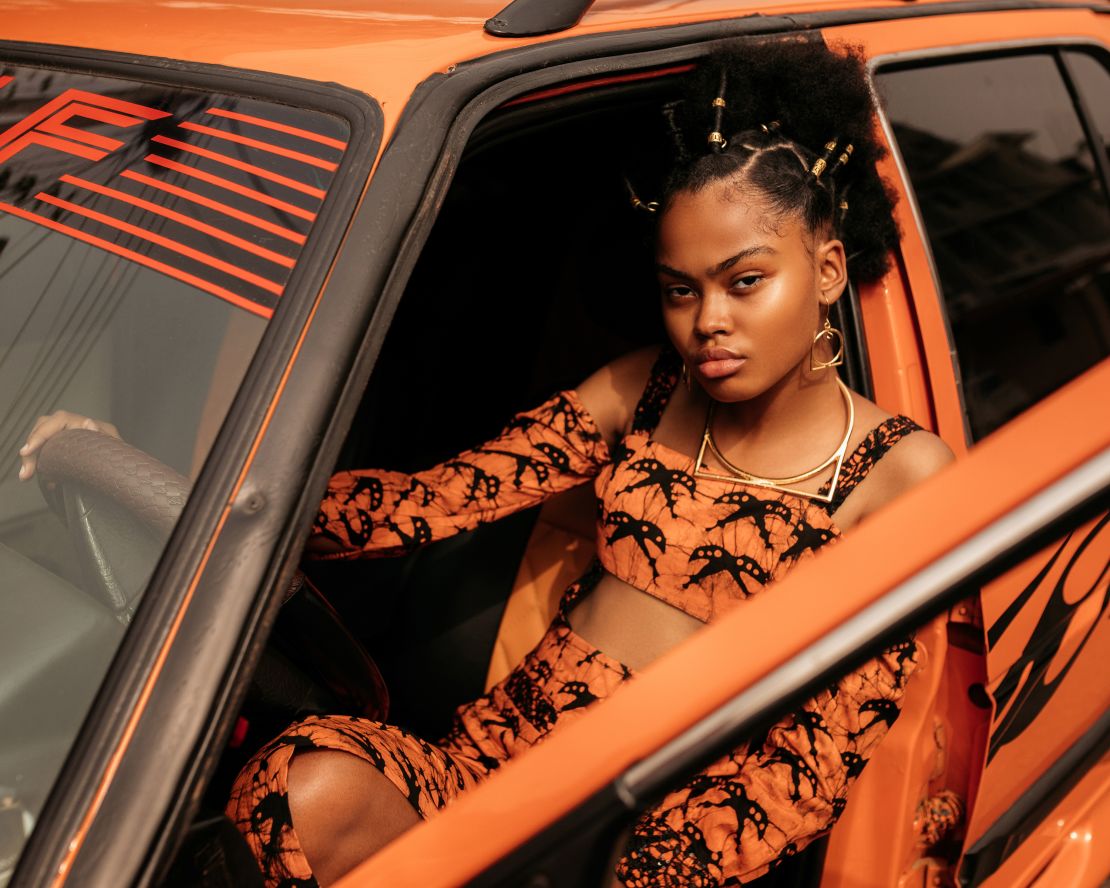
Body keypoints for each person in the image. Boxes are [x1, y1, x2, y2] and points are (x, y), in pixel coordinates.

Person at [20, 36, 954, 888]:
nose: (708, 320)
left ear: (827, 270)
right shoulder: (648, 390)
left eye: (745, 281)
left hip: (648, 842)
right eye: (680, 289)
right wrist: (156, 478)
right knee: (296, 785)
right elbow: (414, 507)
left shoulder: (901, 478)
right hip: (489, 769)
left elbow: (808, 765)